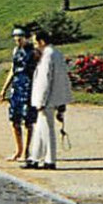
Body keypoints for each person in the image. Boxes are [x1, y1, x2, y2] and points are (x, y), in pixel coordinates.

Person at [26, 28, 72, 171]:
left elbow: (45, 80)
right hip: (53, 97)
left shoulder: (47, 55)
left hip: (47, 98)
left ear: (42, 42)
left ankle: (50, 159)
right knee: (40, 128)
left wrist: (41, 100)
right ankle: (35, 157)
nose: (34, 45)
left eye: (35, 42)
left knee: (47, 129)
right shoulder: (56, 53)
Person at [0, 27, 37, 161]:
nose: (17, 40)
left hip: (29, 86)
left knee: (28, 120)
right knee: (15, 119)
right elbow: (13, 70)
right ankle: (18, 149)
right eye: (16, 37)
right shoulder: (15, 51)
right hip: (17, 86)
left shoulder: (33, 52)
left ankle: (27, 150)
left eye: (20, 37)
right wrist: (4, 88)